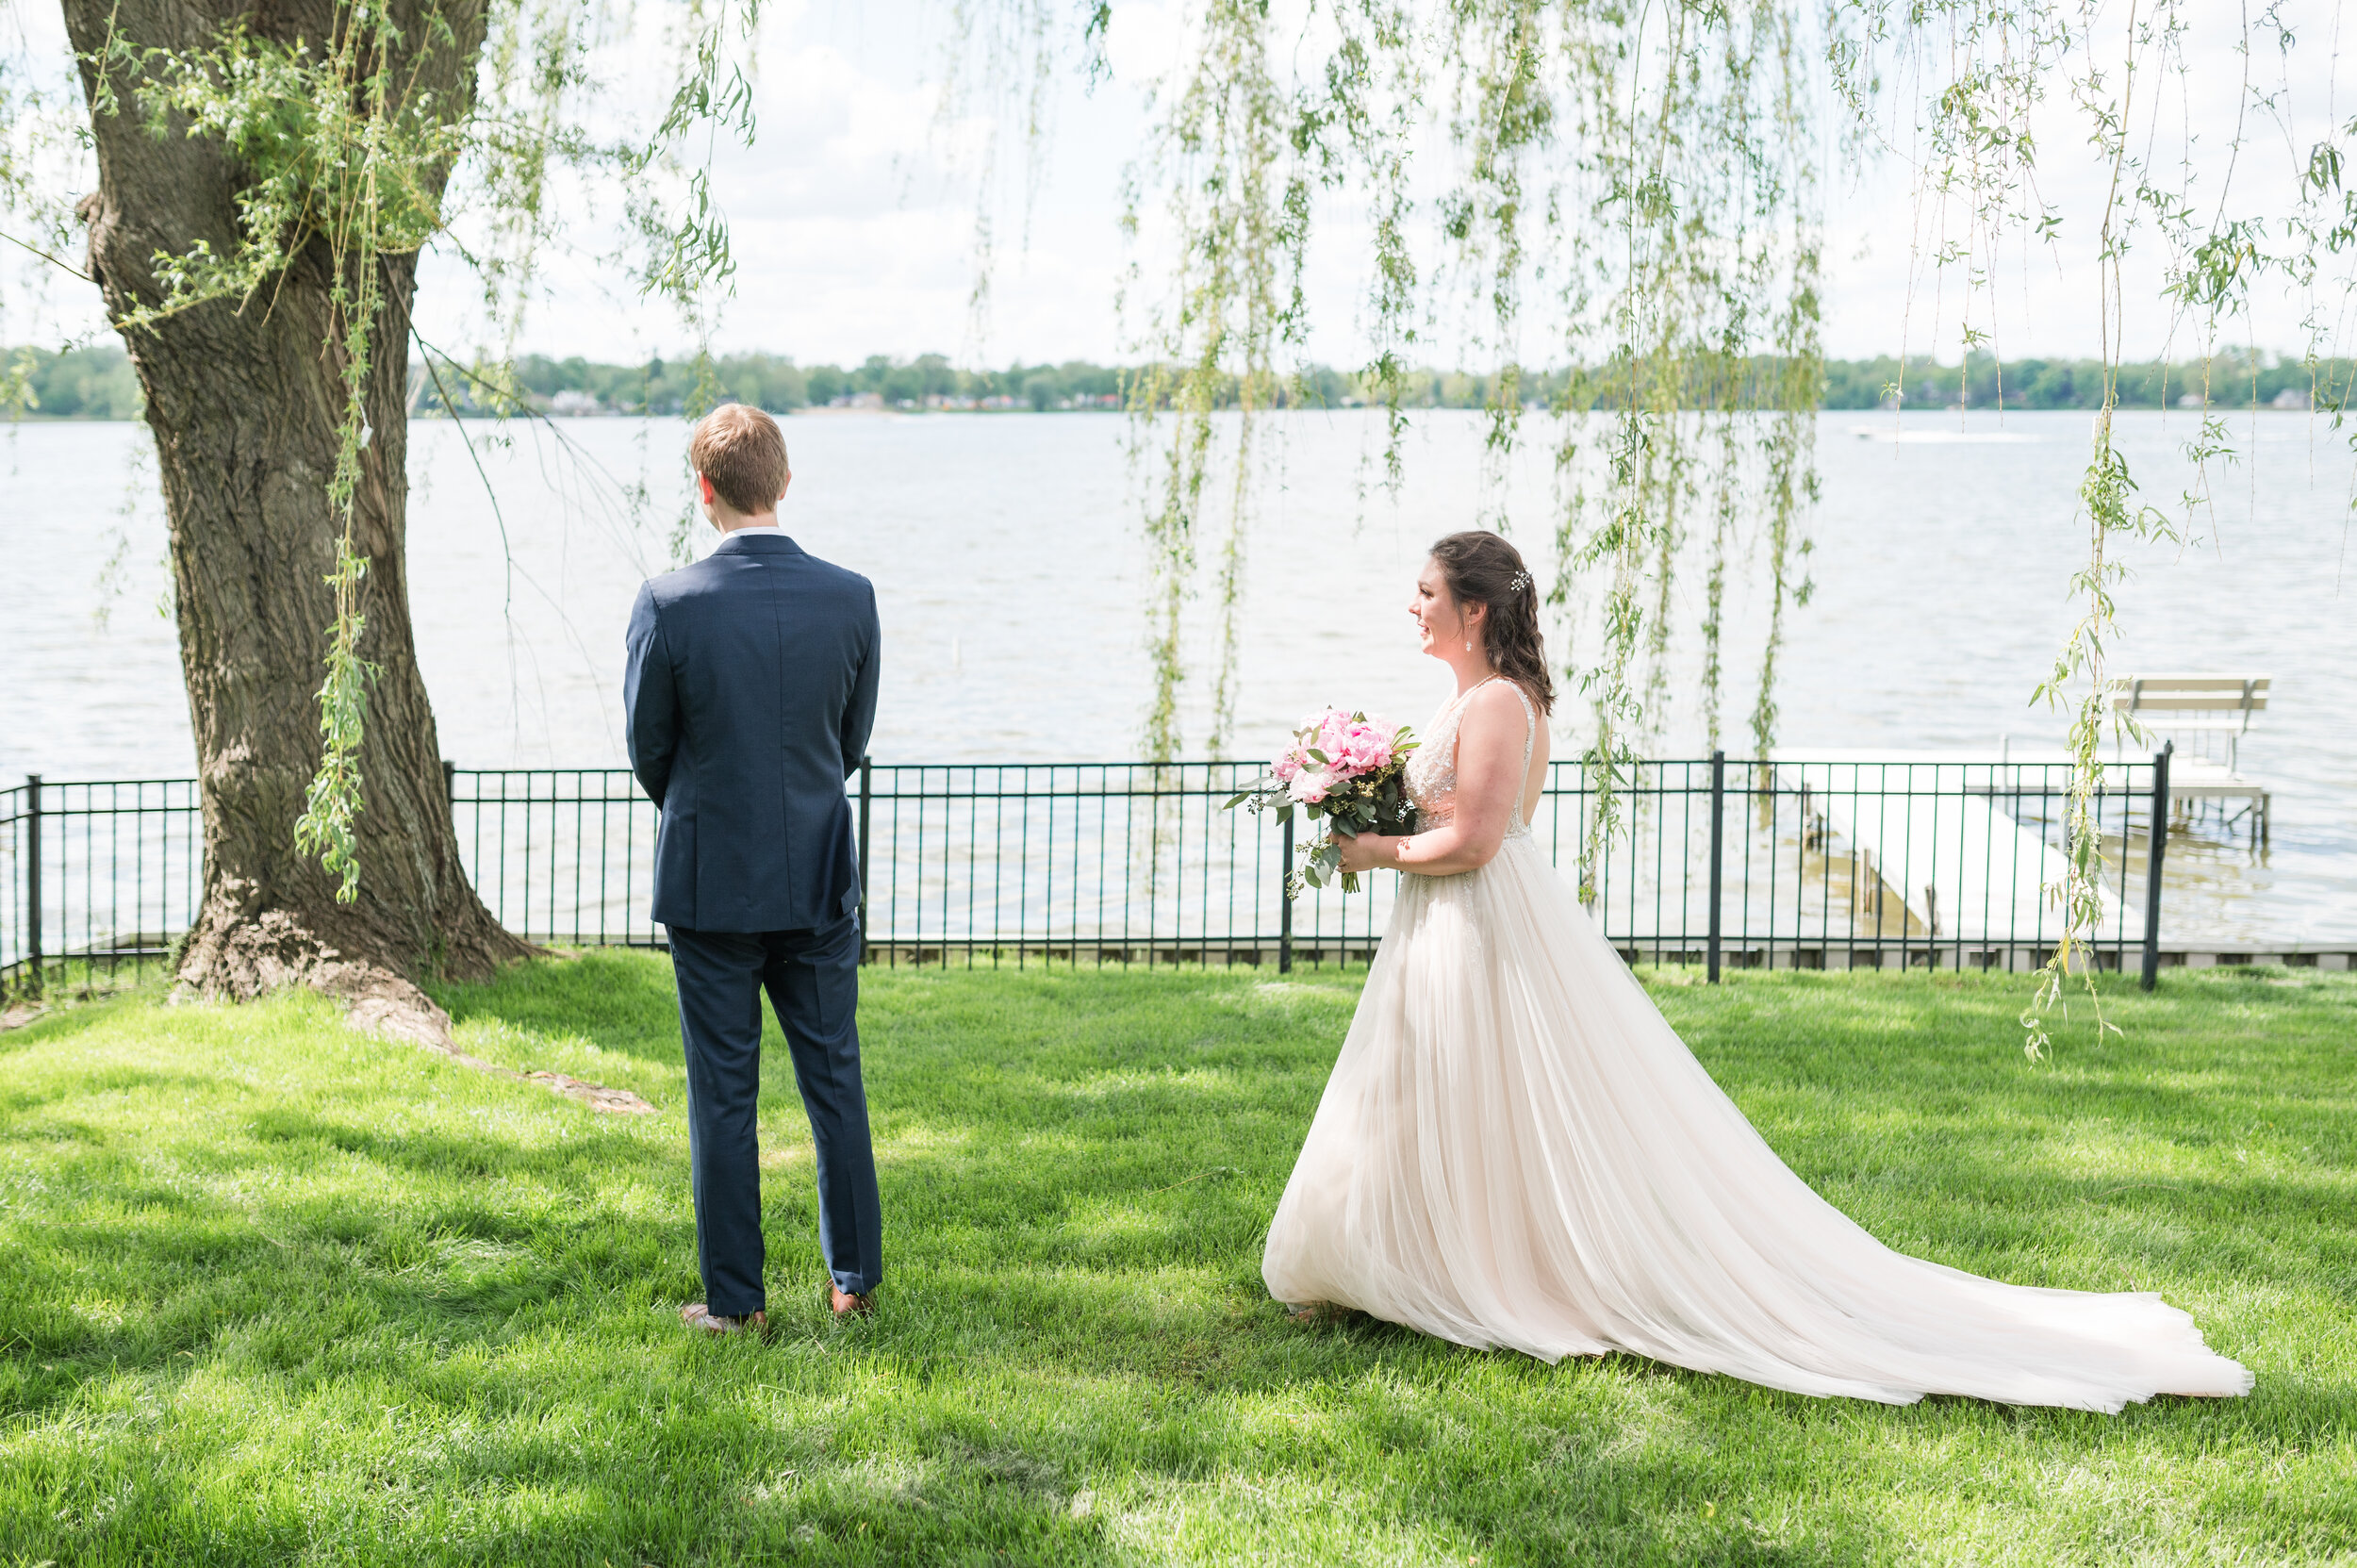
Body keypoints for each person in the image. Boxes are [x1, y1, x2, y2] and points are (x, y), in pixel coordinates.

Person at [1260, 528, 2253, 1411]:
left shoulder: (1498, 707)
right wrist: (1368, 798)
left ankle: (1485, 1272)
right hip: (1447, 929)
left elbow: (1477, 841)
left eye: (1426, 593)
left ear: (1471, 608)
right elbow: (1452, 821)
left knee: (1494, 1096)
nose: (1412, 606)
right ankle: (1411, 1259)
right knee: (1434, 1090)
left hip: (1479, 921)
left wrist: (1369, 849)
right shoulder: (1474, 699)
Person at [624, 403, 882, 1334]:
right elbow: (847, 741)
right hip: (816, 871)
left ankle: (736, 1304)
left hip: (709, 880)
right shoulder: (850, 596)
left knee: (722, 1096)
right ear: (782, 482)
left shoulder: (668, 602)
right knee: (834, 1082)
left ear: (705, 491)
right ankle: (852, 1281)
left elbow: (648, 746)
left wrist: (703, 806)